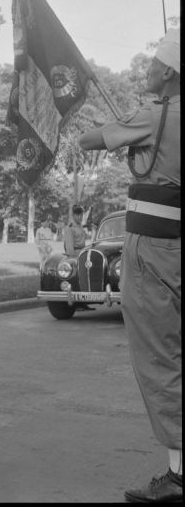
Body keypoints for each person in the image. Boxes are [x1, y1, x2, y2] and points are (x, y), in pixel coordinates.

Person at [80, 29, 181, 503]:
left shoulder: (155, 114)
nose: (146, 70)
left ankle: (179, 477)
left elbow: (89, 140)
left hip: (156, 249)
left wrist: (117, 126)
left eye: (152, 64)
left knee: (161, 357)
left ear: (169, 72)